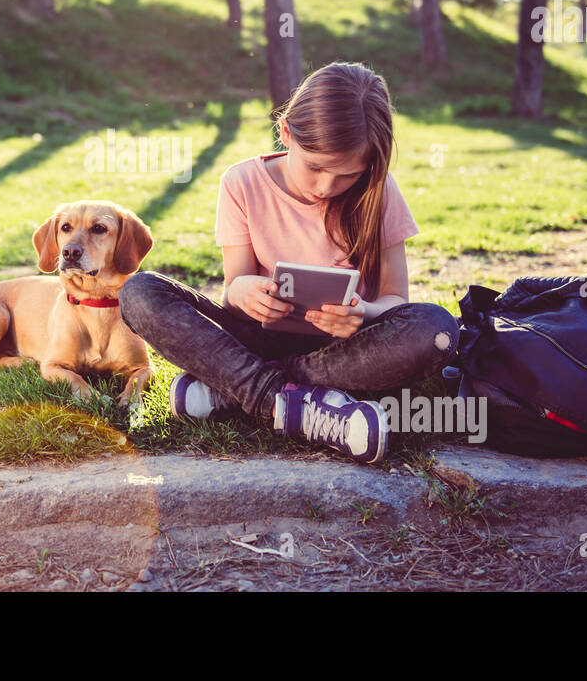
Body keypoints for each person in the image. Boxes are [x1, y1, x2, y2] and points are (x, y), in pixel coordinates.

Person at [118, 61, 459, 463]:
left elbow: (395, 299)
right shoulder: (241, 182)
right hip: (257, 336)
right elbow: (233, 290)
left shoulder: (378, 191)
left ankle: (236, 389)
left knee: (436, 330)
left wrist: (364, 312)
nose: (326, 186)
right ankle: (290, 403)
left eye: (347, 175)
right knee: (140, 291)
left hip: (345, 349)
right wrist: (244, 291)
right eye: (315, 167)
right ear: (286, 134)